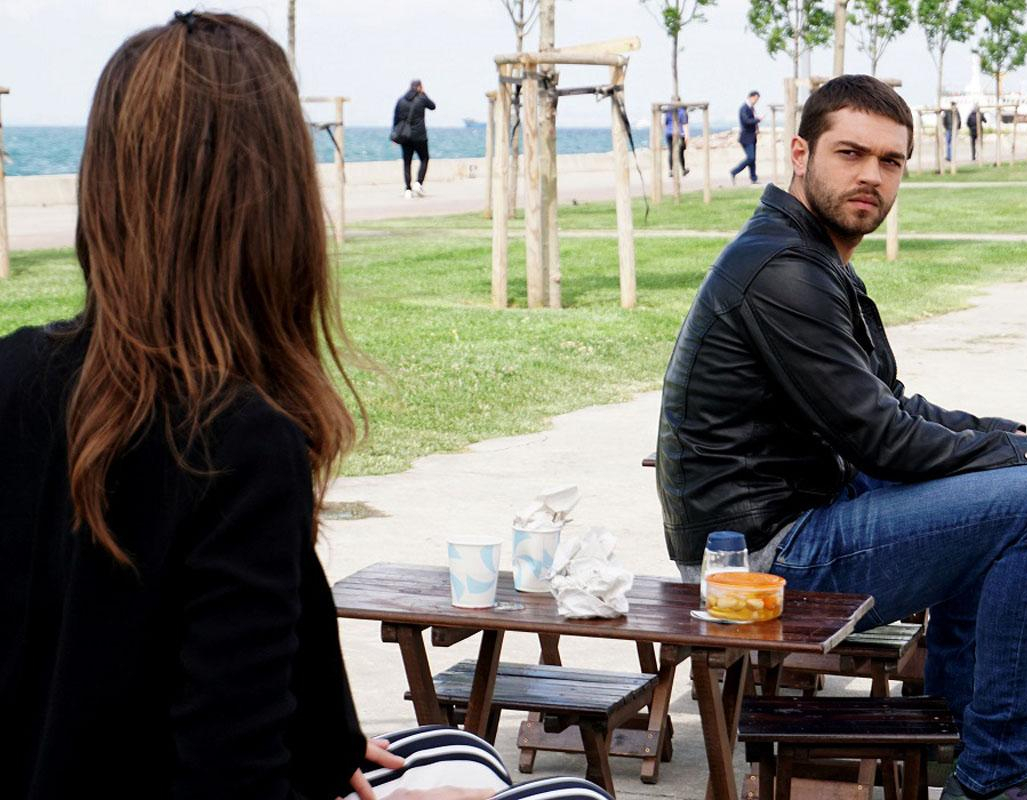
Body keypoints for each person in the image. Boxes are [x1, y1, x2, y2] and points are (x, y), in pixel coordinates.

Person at [0, 13, 609, 800]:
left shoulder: (15, 373)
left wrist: (326, 738)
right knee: (568, 793)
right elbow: (233, 777)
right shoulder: (236, 441)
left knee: (464, 754)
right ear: (274, 205)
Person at [655, 75, 1027, 800]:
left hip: (793, 523)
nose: (872, 176)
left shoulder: (811, 255)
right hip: (757, 563)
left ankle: (959, 743)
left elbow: (889, 405)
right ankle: (996, 780)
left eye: (891, 161)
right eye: (851, 153)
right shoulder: (783, 272)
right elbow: (883, 440)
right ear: (800, 154)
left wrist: (1007, 440)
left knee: (1001, 488)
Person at [394, 79, 436, 199]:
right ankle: (418, 183)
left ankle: (408, 189)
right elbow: (433, 106)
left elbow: (396, 119)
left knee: (407, 162)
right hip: (420, 136)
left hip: (405, 136)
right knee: (424, 158)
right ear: (419, 87)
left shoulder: (401, 101)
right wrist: (424, 94)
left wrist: (395, 136)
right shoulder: (422, 98)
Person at [731, 90, 761, 184]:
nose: (756, 101)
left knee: (752, 159)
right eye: (755, 99)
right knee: (750, 158)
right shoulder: (744, 108)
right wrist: (757, 120)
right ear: (751, 97)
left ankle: (753, 178)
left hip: (752, 136)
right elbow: (746, 121)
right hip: (746, 137)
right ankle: (734, 171)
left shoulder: (751, 108)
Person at [663, 102, 690, 177]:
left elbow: (665, 123)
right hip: (679, 133)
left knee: (671, 151)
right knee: (680, 153)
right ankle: (683, 169)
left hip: (669, 133)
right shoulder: (683, 112)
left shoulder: (668, 110)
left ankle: (671, 170)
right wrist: (686, 137)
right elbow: (685, 125)